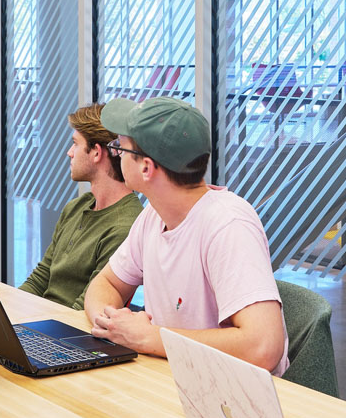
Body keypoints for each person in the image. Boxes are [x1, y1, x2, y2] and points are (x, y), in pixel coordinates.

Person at [83, 96, 288, 374]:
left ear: (146, 167)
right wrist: (111, 324)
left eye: (121, 148)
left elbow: (263, 346)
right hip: (177, 379)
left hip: (234, 399)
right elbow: (106, 283)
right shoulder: (153, 216)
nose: (116, 154)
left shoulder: (228, 224)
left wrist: (151, 337)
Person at [19, 103, 144, 309]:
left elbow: (84, 309)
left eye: (75, 144)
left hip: (66, 331)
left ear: (96, 152)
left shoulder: (124, 227)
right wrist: (7, 310)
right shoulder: (77, 207)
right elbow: (41, 278)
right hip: (40, 321)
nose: (70, 152)